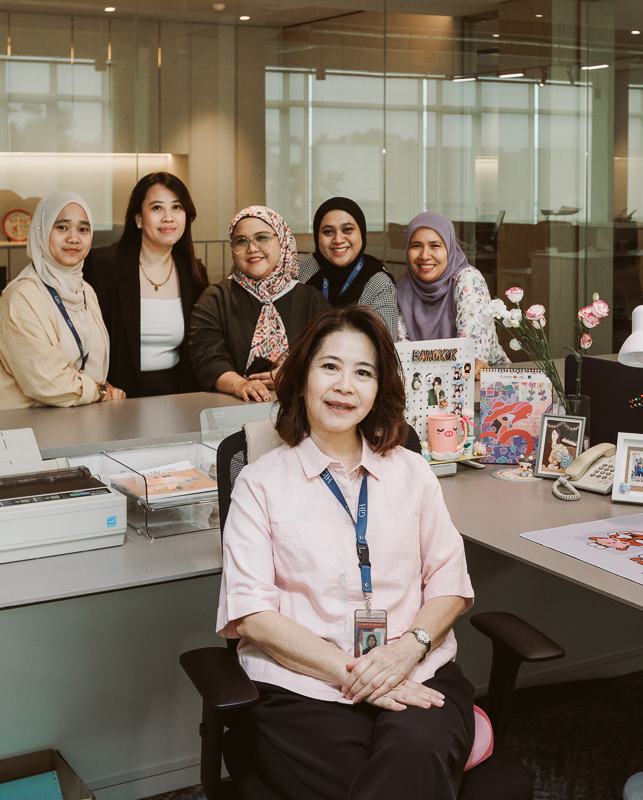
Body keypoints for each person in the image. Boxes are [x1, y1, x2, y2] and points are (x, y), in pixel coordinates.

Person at [216, 305, 475, 800]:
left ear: (379, 389)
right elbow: (251, 615)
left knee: (413, 753)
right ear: (301, 378)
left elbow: (450, 583)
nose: (344, 386)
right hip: (303, 685)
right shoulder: (259, 483)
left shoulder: (412, 472)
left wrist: (406, 650)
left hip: (415, 668)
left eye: (363, 372)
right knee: (387, 782)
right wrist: (360, 675)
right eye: (330, 366)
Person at [0, 191, 126, 411]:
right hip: (27, 427)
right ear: (41, 231)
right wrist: (100, 391)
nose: (74, 238)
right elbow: (46, 382)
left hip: (82, 422)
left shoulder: (86, 291)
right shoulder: (21, 298)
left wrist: (98, 390)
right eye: (62, 227)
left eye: (83, 229)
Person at [84, 173, 210, 398]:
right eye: (157, 208)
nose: (168, 218)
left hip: (178, 396)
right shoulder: (103, 266)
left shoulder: (194, 272)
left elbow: (204, 343)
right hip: (115, 397)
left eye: (177, 207)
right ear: (139, 218)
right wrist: (99, 387)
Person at [187, 206, 329, 402]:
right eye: (241, 241)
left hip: (303, 408)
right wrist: (239, 384)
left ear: (282, 241)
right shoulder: (215, 298)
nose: (252, 248)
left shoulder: (311, 300)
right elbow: (206, 357)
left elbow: (330, 354)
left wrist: (296, 373)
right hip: (233, 406)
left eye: (262, 238)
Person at [396, 211, 509, 374]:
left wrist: (423, 360)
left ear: (449, 248)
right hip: (423, 383)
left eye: (435, 245)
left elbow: (470, 354)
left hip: (484, 380)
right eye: (416, 246)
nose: (425, 255)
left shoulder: (468, 280)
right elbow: (401, 357)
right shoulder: (400, 289)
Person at [298, 197, 402, 341]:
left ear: (362, 233)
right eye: (328, 232)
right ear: (317, 236)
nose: (338, 239)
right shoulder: (299, 268)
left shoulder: (379, 284)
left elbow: (385, 348)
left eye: (347, 230)